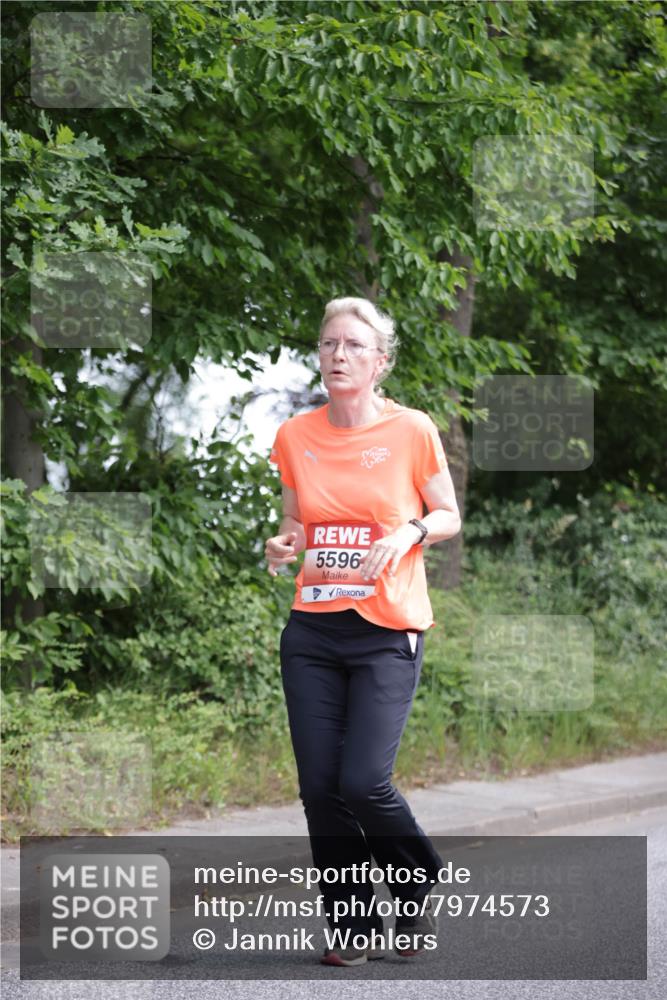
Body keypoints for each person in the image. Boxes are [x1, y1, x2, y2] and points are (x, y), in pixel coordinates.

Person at [265, 296, 461, 967]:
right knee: (319, 787)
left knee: (362, 781)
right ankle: (352, 926)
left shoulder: (411, 430)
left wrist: (410, 531)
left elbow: (446, 515)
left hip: (386, 630)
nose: (338, 356)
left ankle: (415, 878)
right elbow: (295, 523)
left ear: (380, 361)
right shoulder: (295, 435)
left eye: (353, 346)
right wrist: (281, 545)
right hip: (313, 631)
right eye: (328, 345)